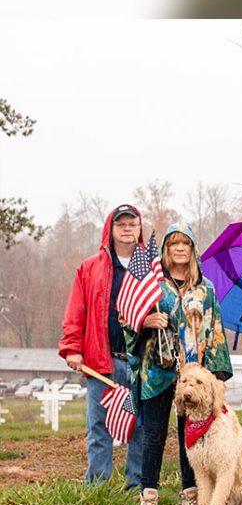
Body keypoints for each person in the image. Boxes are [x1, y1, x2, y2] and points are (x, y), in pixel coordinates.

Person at [125, 223, 232, 505]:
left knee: (193, 438)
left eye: (186, 243)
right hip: (157, 371)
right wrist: (146, 322)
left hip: (193, 374)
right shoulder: (153, 284)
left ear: (193, 249)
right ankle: (148, 499)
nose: (180, 248)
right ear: (167, 249)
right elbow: (126, 319)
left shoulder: (206, 288)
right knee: (154, 435)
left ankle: (190, 497)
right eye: (174, 243)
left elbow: (215, 331)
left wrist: (215, 375)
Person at [58, 204, 147, 489]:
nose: (126, 229)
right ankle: (97, 485)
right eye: (121, 224)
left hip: (140, 363)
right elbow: (76, 311)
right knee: (99, 426)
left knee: (139, 425)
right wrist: (73, 348)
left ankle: (136, 484)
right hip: (101, 361)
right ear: (110, 229)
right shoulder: (90, 268)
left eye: (132, 224)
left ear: (139, 228)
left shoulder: (150, 268)